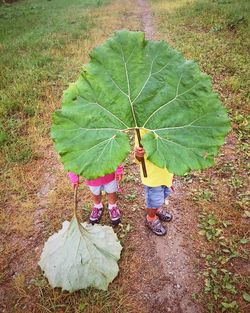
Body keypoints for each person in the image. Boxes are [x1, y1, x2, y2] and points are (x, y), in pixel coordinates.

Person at [135, 130, 173, 236]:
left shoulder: (167, 126)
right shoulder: (142, 130)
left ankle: (157, 209)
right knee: (153, 200)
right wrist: (138, 154)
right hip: (152, 177)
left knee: (164, 194)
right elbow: (138, 158)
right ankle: (150, 218)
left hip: (166, 173)